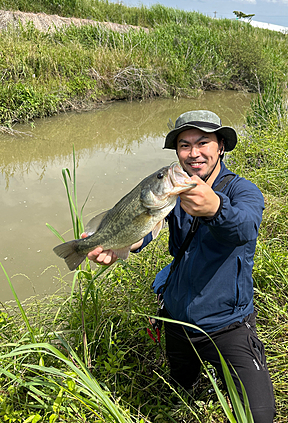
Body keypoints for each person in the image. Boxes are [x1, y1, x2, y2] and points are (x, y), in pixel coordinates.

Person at [86, 110, 276, 423]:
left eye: (203, 142)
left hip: (228, 323)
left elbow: (243, 229)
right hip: (177, 318)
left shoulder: (243, 191)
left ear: (220, 147)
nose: (193, 153)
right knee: (180, 384)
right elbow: (146, 230)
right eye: (184, 145)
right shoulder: (172, 191)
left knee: (260, 416)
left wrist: (214, 208)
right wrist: (121, 246)